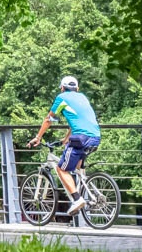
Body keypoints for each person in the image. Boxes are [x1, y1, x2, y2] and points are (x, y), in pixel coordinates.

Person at [27, 76, 101, 216]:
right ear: (77, 88)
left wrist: (38, 137)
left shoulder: (62, 98)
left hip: (81, 138)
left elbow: (50, 119)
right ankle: (88, 194)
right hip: (95, 137)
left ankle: (77, 199)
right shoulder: (83, 97)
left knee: (61, 169)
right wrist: (66, 139)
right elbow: (77, 121)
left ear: (62, 88)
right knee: (77, 168)